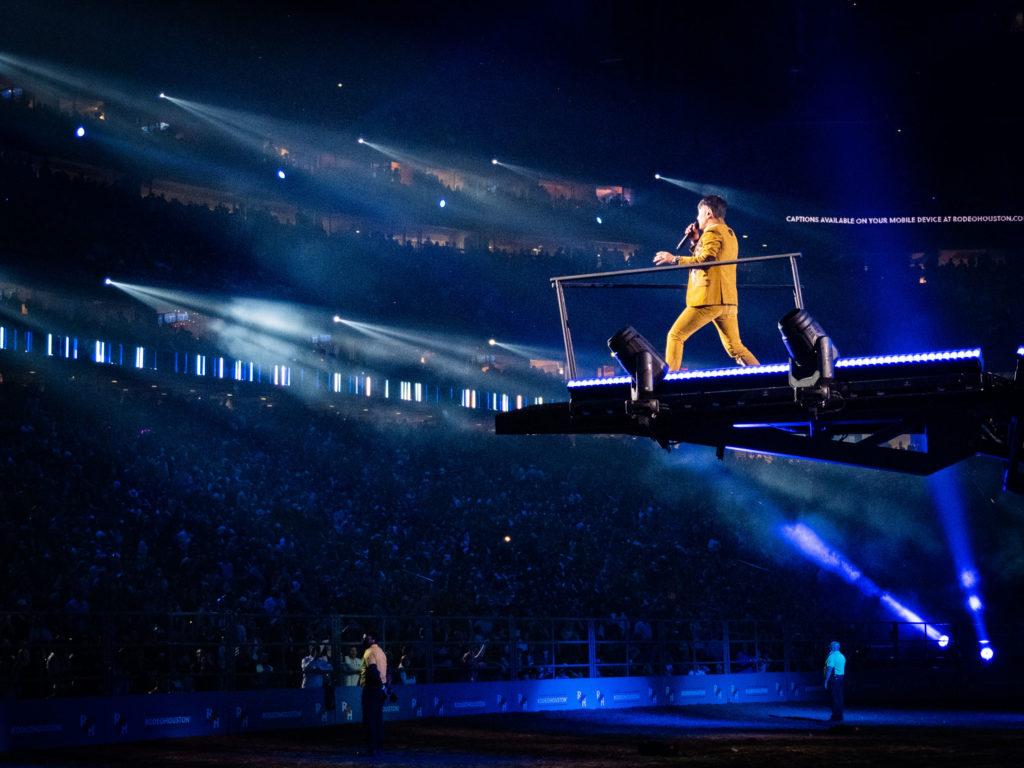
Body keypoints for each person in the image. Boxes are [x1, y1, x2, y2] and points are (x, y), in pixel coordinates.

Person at [652, 195, 759, 370]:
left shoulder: (713, 232)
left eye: (699, 214)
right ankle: (762, 379)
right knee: (736, 348)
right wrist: (695, 240)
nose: (697, 218)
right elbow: (710, 256)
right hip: (727, 300)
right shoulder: (729, 233)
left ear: (708, 213)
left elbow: (705, 260)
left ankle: (669, 383)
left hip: (709, 298)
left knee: (676, 335)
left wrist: (674, 259)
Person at [359, 631, 387, 756]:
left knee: (370, 720)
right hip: (380, 690)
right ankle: (379, 747)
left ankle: (372, 748)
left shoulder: (369, 652)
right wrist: (385, 687)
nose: (364, 640)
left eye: (366, 638)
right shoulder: (381, 652)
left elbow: (373, 670)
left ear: (373, 639)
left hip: (371, 689)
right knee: (378, 720)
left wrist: (380, 685)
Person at [823, 640, 846, 722]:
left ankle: (835, 716)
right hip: (841, 678)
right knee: (840, 697)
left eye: (830, 647)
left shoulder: (832, 656)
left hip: (834, 678)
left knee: (834, 698)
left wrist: (826, 680)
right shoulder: (842, 656)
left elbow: (829, 669)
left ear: (832, 647)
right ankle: (840, 715)